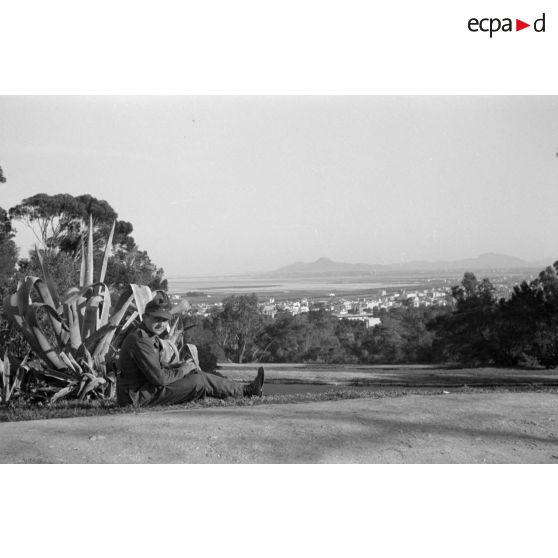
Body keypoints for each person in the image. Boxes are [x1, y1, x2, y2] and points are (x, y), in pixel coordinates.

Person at [116, 297, 264, 407]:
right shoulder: (141, 340)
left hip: (141, 391)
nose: (161, 324)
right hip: (135, 398)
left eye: (165, 320)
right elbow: (159, 379)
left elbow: (153, 369)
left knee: (196, 375)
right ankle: (247, 391)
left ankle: (247, 390)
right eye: (157, 319)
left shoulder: (145, 335)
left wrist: (178, 367)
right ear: (145, 316)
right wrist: (183, 370)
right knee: (198, 381)